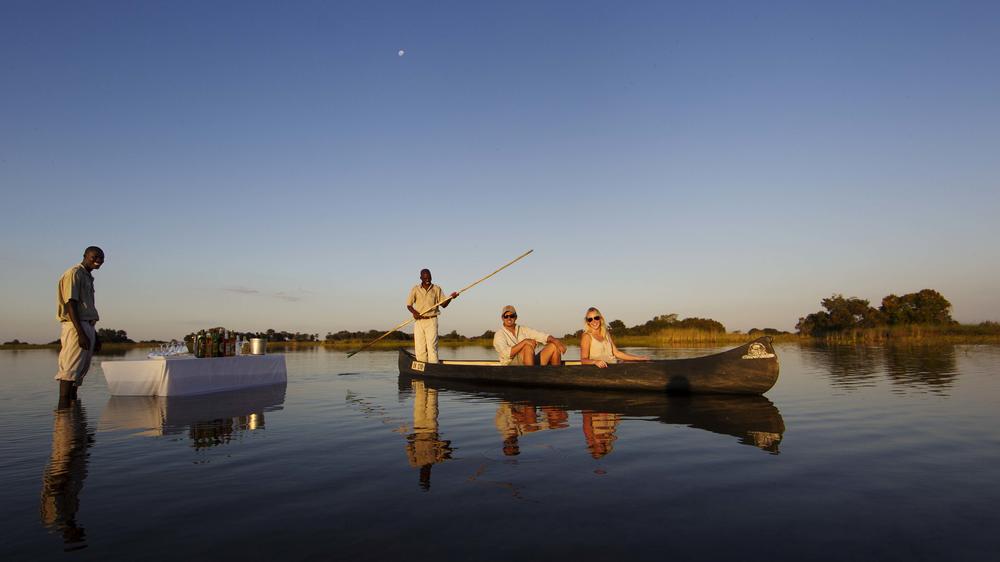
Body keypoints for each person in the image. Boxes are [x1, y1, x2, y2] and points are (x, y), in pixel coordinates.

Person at [55, 247, 105, 401]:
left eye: (102, 258)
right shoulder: (74, 273)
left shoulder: (87, 276)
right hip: (76, 326)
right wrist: (81, 333)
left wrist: (94, 335)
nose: (98, 260)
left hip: (87, 325)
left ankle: (73, 414)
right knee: (70, 370)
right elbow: (71, 303)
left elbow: (87, 308)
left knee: (79, 372)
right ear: (85, 256)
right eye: (94, 257)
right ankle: (63, 413)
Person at [405, 269, 458, 363]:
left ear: (431, 277)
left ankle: (433, 366)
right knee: (420, 347)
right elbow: (409, 305)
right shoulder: (415, 289)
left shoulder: (437, 289)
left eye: (429, 277)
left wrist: (451, 298)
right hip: (419, 321)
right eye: (425, 277)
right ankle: (423, 367)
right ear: (421, 278)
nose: (427, 279)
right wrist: (414, 312)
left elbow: (444, 305)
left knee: (432, 346)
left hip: (431, 320)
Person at [493, 305, 566, 366]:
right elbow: (506, 354)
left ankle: (555, 377)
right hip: (510, 366)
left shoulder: (523, 329)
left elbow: (541, 336)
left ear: (516, 317)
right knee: (527, 346)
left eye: (512, 315)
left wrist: (556, 341)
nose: (509, 318)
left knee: (554, 346)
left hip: (529, 362)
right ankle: (531, 379)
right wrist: (525, 342)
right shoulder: (499, 334)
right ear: (502, 318)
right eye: (506, 316)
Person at [579, 307, 649, 368]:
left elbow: (617, 353)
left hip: (613, 366)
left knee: (637, 364)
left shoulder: (606, 333)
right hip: (598, 370)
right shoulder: (587, 336)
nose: (594, 321)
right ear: (588, 322)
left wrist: (638, 358)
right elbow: (583, 360)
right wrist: (595, 362)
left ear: (600, 318)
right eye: (590, 319)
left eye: (596, 318)